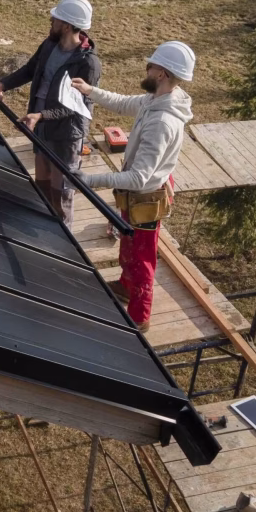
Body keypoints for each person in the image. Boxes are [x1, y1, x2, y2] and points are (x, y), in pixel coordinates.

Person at [70, 41, 195, 333]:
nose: (146, 68)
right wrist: (91, 91)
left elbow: (139, 177)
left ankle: (140, 317)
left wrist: (90, 180)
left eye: (150, 65)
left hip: (146, 197)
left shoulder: (163, 121)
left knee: (142, 259)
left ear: (161, 73)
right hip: (137, 196)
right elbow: (125, 102)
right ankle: (126, 287)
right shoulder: (158, 99)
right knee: (129, 245)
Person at [0, 0, 101, 227]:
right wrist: (1, 85)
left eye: (55, 18)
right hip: (41, 128)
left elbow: (75, 106)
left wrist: (41, 115)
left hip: (66, 135)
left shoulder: (88, 64)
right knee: (43, 187)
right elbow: (30, 70)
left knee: (62, 193)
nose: (51, 20)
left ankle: (65, 244)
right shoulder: (49, 46)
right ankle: (44, 232)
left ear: (66, 25)